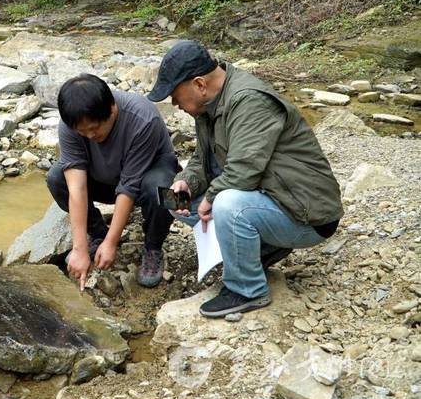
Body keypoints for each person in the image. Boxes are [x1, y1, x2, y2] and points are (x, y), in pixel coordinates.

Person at [147, 40, 343, 318]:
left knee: (227, 203)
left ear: (200, 84)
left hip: (306, 214)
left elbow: (243, 171)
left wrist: (211, 200)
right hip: (267, 198)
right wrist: (186, 182)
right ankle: (263, 249)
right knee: (175, 200)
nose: (175, 104)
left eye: (175, 96)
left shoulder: (249, 100)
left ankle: (247, 289)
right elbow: (203, 161)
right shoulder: (208, 107)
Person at [47, 73, 180, 289]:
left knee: (165, 191)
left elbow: (129, 187)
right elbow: (77, 188)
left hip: (147, 179)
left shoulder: (143, 118)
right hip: (106, 180)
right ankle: (97, 234)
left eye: (95, 128)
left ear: (112, 109)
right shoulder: (70, 124)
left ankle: (153, 247)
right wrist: (80, 248)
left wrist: (113, 242)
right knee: (55, 177)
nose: (89, 135)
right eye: (83, 131)